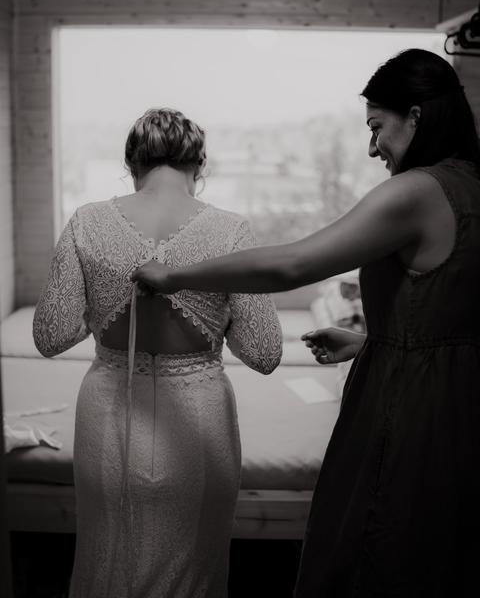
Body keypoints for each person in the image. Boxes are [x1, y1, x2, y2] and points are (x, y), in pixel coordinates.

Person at [132, 50, 480, 597]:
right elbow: (454, 321)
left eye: (377, 127)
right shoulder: (472, 185)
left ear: (415, 117)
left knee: (380, 546)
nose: (373, 148)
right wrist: (370, 342)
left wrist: (175, 275)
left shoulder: (416, 192)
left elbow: (292, 264)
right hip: (462, 406)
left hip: (412, 411)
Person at [33, 108, 282, 598]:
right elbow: (265, 351)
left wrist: (102, 304)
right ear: (200, 164)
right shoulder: (230, 230)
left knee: (107, 558)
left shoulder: (87, 222)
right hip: (199, 418)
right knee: (194, 567)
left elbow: (50, 334)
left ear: (131, 163)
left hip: (109, 414)